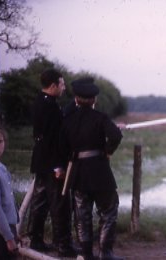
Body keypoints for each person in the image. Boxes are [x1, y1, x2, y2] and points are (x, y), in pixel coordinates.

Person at [57, 77, 124, 260]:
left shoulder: (68, 121)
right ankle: (105, 254)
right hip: (101, 172)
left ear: (76, 99)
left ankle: (86, 255)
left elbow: (62, 147)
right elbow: (116, 136)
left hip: (78, 174)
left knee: (82, 216)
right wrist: (108, 151)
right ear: (94, 100)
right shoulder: (101, 118)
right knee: (109, 211)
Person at [29, 68, 77, 257]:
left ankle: (36, 240)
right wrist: (58, 166)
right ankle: (63, 246)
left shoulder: (42, 101)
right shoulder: (49, 106)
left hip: (41, 160)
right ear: (53, 85)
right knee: (60, 204)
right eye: (62, 84)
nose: (64, 88)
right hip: (51, 162)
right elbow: (53, 139)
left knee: (40, 202)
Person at [0, 125, 19, 260]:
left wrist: (14, 232)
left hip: (8, 229)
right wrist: (9, 238)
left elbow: (9, 201)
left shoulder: (2, 168)